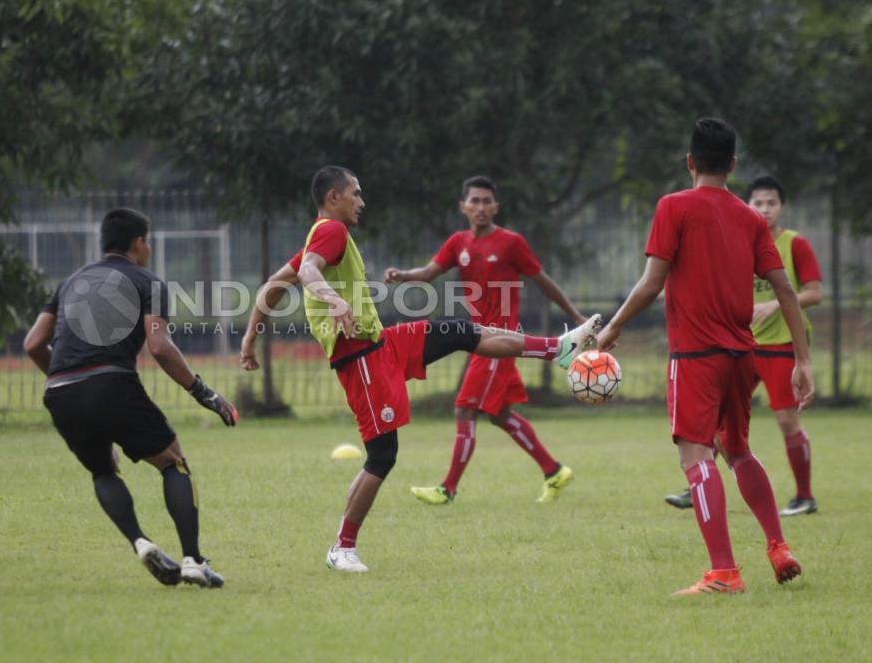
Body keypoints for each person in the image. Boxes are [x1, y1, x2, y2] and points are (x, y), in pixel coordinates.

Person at [239, 166, 602, 573]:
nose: (361, 201)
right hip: (361, 359)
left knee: (463, 331)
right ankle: (342, 547)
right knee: (382, 456)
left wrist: (250, 336)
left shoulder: (320, 235)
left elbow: (276, 281)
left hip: (381, 344)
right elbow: (307, 274)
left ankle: (561, 348)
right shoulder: (331, 231)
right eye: (355, 194)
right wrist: (333, 301)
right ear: (333, 198)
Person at [595, 119, 813, 595]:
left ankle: (723, 572)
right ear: (733, 166)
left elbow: (653, 282)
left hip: (696, 355)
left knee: (695, 455)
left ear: (690, 162)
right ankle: (778, 545)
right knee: (737, 450)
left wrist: (611, 328)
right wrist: (803, 360)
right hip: (742, 356)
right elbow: (786, 291)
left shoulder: (673, 206)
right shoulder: (751, 219)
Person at [23, 208, 238, 588]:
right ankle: (192, 560)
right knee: (174, 463)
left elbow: (34, 343)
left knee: (103, 470)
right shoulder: (148, 282)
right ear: (139, 243)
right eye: (148, 241)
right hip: (111, 383)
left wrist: (66, 381)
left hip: (58, 390)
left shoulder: (70, 282)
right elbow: (160, 346)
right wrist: (204, 393)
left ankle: (140, 542)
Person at [384, 176, 587, 504]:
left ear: (496, 207)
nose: (480, 207)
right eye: (474, 201)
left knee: (464, 410)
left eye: (486, 201)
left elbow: (543, 280)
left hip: (500, 342)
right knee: (500, 414)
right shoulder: (458, 243)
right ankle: (554, 471)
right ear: (462, 207)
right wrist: (403, 275)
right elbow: (429, 272)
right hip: (478, 339)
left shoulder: (511, 243)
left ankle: (447, 489)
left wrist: (576, 316)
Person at [664, 176, 823, 515]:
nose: (764, 209)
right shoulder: (739, 234)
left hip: (780, 344)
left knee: (785, 419)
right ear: (747, 204)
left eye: (771, 202)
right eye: (758, 202)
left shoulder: (794, 244)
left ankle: (805, 496)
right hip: (741, 344)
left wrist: (775, 305)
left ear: (782, 207)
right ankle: (700, 483)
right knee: (719, 421)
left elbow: (813, 292)